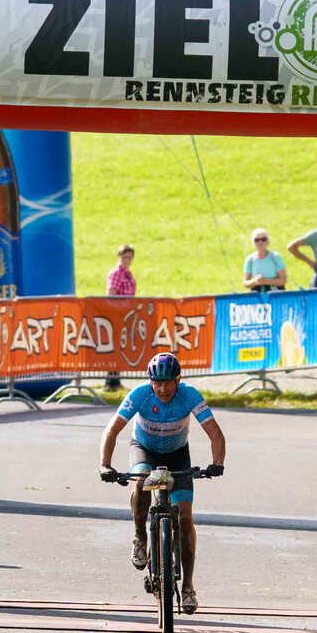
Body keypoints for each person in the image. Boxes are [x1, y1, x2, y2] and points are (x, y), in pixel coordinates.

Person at [97, 351, 227, 614]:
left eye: (168, 383)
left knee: (185, 517)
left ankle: (188, 587)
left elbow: (215, 432)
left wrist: (217, 462)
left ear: (178, 380)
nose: (163, 389)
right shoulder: (140, 394)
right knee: (140, 482)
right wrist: (105, 464)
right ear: (150, 381)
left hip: (177, 454)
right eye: (157, 383)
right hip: (144, 449)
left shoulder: (189, 395)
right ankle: (140, 537)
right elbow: (112, 430)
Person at [105, 244, 136, 389]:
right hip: (116, 314)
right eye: (124, 257)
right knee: (115, 347)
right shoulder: (117, 273)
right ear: (119, 257)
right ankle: (111, 381)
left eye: (129, 257)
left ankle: (115, 380)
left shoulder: (128, 274)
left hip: (126, 315)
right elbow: (111, 294)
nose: (127, 260)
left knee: (120, 347)